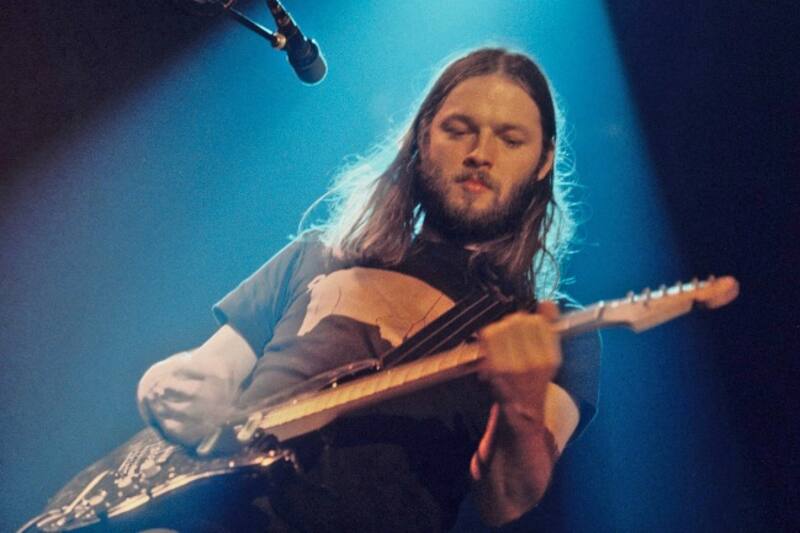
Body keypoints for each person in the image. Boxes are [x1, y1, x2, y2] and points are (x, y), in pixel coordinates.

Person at [137, 47, 600, 532]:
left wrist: (521, 406)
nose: (480, 153)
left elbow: (507, 499)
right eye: (458, 129)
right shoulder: (317, 254)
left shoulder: (555, 330)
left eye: (510, 139)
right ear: (422, 136)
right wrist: (164, 383)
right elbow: (210, 370)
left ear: (544, 161)